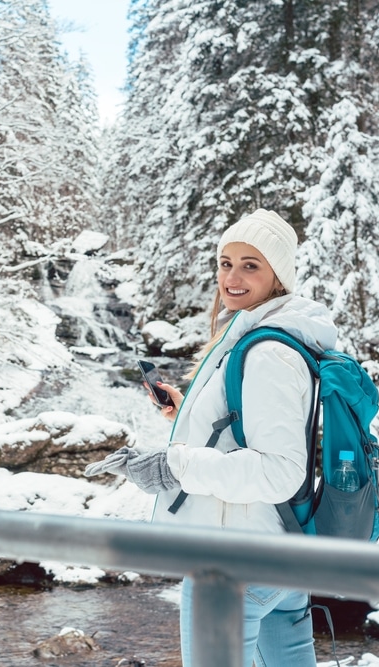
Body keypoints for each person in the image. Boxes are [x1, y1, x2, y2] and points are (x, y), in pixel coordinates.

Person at [85, 208, 337, 667]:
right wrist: (187, 416)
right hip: (278, 553)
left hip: (233, 565)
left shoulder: (268, 352)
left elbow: (280, 472)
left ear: (278, 274)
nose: (232, 277)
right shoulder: (264, 334)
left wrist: (174, 464)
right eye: (225, 262)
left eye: (250, 265)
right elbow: (250, 432)